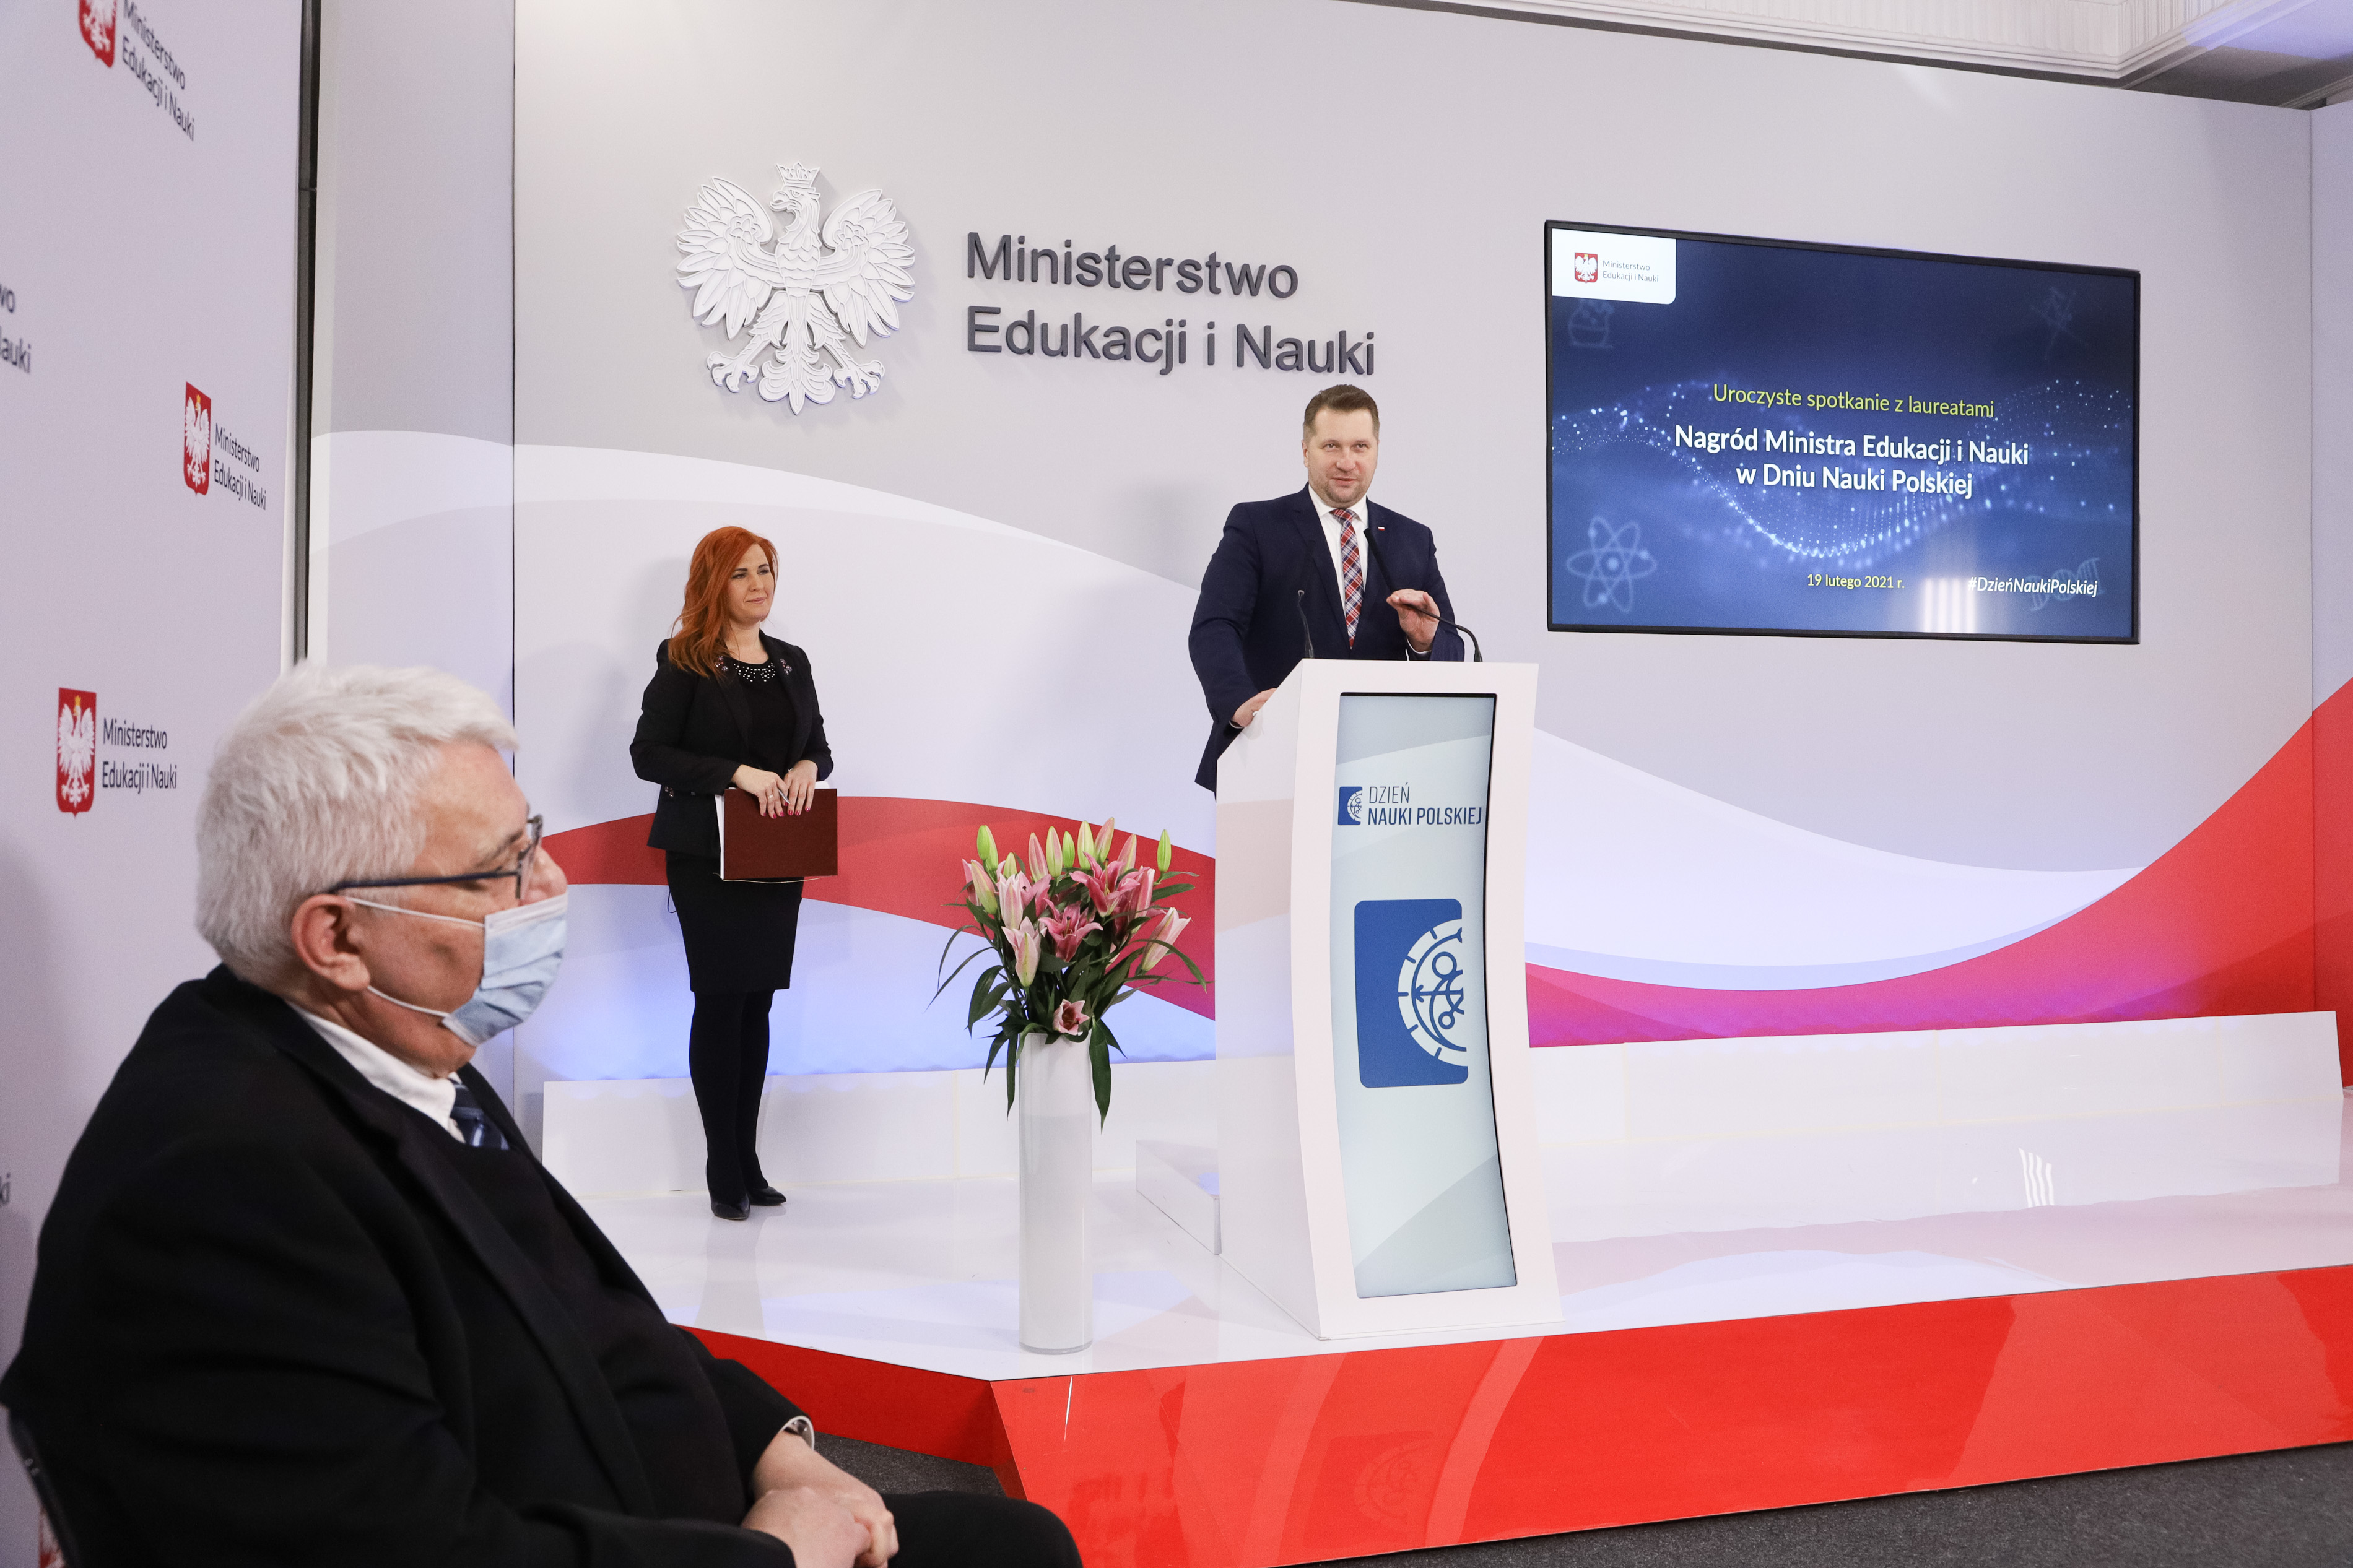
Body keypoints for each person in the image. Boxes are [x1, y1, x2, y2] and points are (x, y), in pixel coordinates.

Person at [0, 663, 1076, 1567]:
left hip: (683, 1501)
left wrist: (778, 1445)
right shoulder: (220, 1184)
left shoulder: (402, 1043)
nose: (552, 885)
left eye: (536, 840)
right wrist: (777, 1554)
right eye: (502, 869)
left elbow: (595, 1305)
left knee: (1016, 1542)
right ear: (337, 935)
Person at [631, 527, 832, 1221]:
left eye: (766, 570)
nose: (758, 584)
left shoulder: (792, 661)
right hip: (706, 857)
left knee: (758, 1002)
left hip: (776, 851)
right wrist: (734, 773)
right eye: (742, 573)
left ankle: (747, 1158)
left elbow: (819, 747)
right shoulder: (684, 659)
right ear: (714, 582)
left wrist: (805, 767)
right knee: (720, 999)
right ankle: (722, 1163)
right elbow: (648, 753)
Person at [1187, 383, 1464, 791]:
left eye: (1360, 447)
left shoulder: (1411, 539)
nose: (1347, 462)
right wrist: (1238, 701)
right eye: (1331, 446)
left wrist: (1425, 642)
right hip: (1273, 753)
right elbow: (1214, 626)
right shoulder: (1257, 526)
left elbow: (1453, 648)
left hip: (1383, 767)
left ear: (1376, 450)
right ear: (1306, 451)